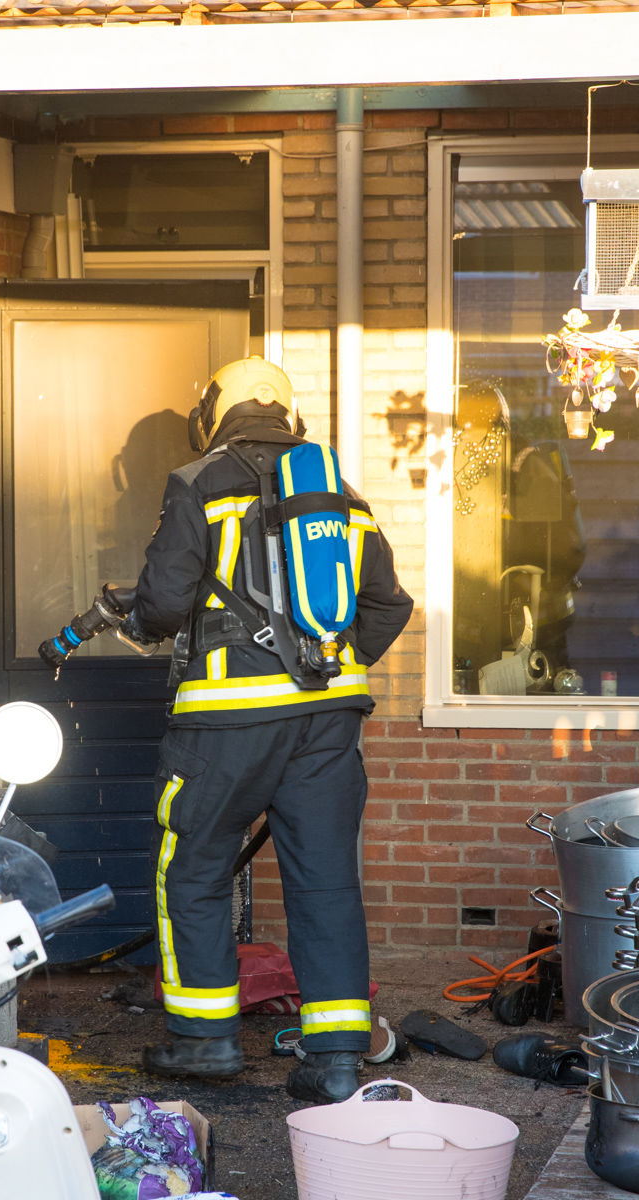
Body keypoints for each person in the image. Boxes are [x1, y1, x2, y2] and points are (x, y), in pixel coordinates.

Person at [118, 356, 414, 1103]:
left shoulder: (197, 482)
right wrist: (330, 662)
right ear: (290, 416)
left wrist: (142, 617)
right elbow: (389, 603)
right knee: (326, 881)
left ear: (212, 415)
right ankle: (335, 1060)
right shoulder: (337, 494)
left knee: (192, 868)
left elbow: (162, 604)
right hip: (329, 722)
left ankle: (205, 1040)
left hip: (226, 721)